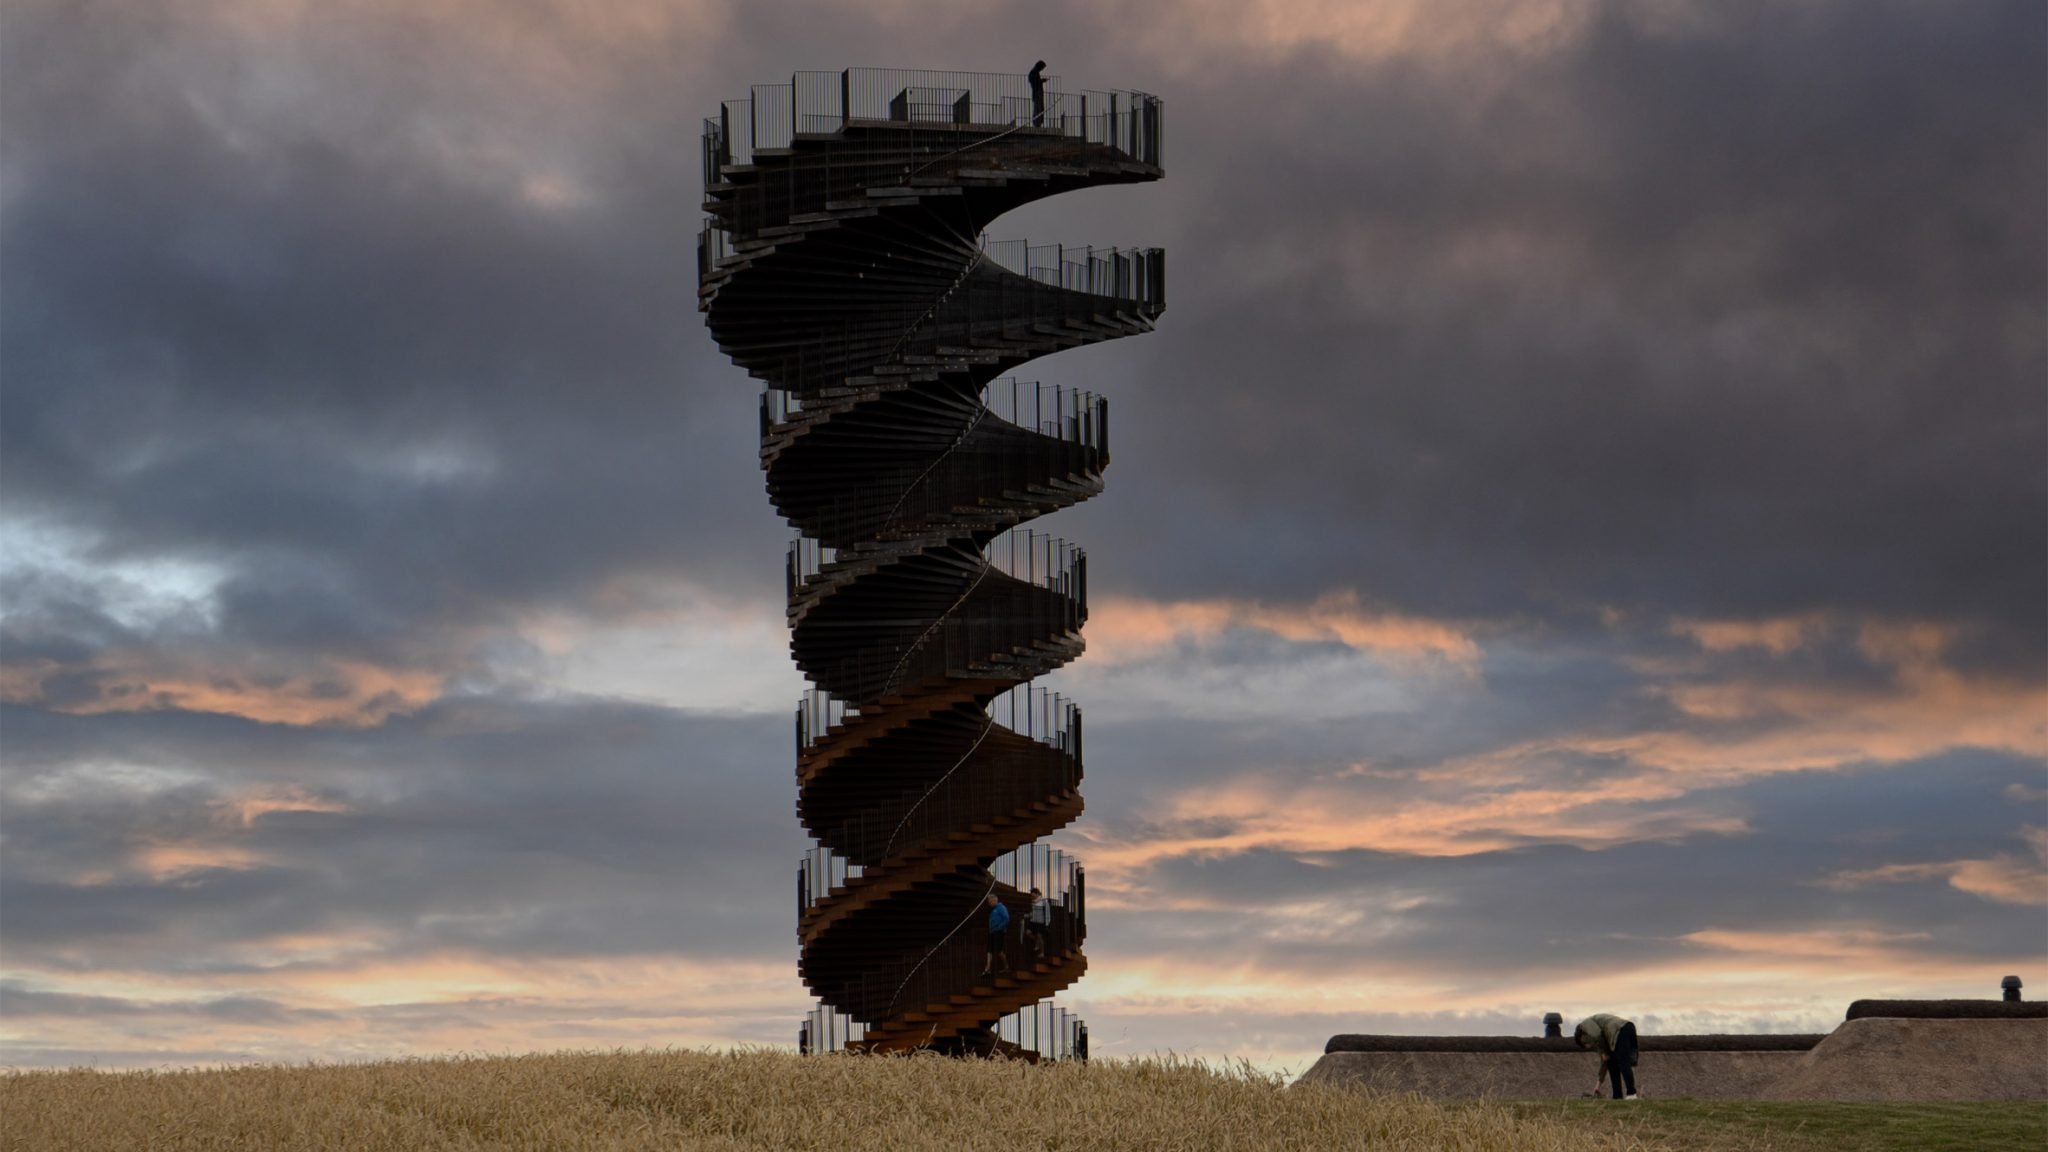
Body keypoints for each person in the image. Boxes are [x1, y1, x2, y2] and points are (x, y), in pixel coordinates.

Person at [1574, 1013, 1640, 1099]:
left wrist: (1604, 1052)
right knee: (1612, 1065)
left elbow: (1597, 1035)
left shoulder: (1585, 1025)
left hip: (1620, 1030)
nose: (1588, 1046)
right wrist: (1598, 1086)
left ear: (1582, 1037)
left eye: (1585, 1043)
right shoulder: (1603, 1040)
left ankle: (1631, 1094)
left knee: (1623, 1063)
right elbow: (1604, 1062)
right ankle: (1617, 1096)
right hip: (1625, 1029)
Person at [982, 893, 1011, 975]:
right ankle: (987, 969)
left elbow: (1006, 918)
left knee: (999, 950)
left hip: (999, 932)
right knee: (989, 950)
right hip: (992, 932)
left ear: (994, 900)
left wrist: (999, 927)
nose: (988, 903)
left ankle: (1006, 967)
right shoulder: (993, 909)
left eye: (989, 901)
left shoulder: (1001, 907)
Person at [1024, 886, 1053, 958]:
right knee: (1027, 932)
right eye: (1031, 895)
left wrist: (1047, 923)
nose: (1031, 896)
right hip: (1033, 921)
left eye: (1033, 894)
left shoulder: (1043, 902)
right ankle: (1036, 942)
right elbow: (1033, 913)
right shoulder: (1033, 902)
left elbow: (1047, 913)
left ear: (1037, 894)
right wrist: (1027, 916)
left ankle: (1042, 952)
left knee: (1040, 936)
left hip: (1041, 922)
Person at [1026, 61, 1047, 126]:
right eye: (1042, 67)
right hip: (1037, 93)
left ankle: (1038, 122)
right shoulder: (1033, 72)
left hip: (1038, 92)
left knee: (1039, 108)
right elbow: (1034, 82)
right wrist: (1041, 81)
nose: (1042, 69)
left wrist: (1041, 81)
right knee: (1038, 108)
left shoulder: (1034, 72)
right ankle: (1037, 122)